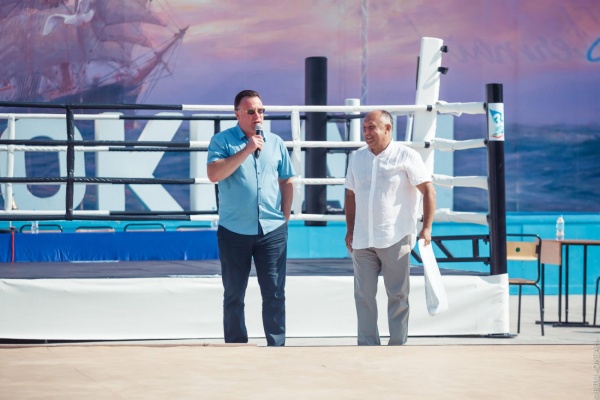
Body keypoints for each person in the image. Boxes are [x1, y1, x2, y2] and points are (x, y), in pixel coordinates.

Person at [207, 89, 294, 346]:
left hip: (272, 230)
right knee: (234, 294)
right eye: (251, 111)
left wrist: (284, 217)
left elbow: (286, 179)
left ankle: (276, 347)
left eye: (261, 110)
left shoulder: (276, 142)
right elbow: (214, 174)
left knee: (275, 292)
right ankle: (236, 348)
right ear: (237, 114)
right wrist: (246, 150)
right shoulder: (221, 141)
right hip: (234, 230)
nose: (258, 116)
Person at [344, 110, 436, 346]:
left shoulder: (407, 156)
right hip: (363, 239)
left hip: (395, 237)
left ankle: (397, 346)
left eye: (372, 127)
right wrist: (350, 230)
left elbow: (428, 190)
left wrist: (426, 228)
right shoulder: (357, 158)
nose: (366, 132)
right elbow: (350, 194)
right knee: (363, 295)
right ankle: (368, 347)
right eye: (364, 128)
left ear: (388, 128)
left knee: (398, 295)